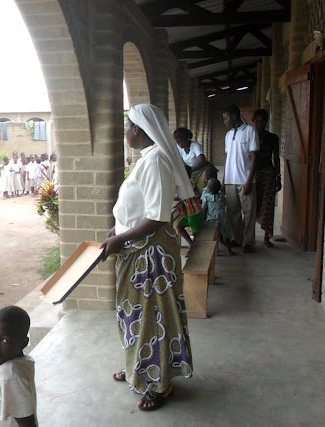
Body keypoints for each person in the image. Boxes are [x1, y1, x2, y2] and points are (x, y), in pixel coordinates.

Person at [100, 103, 193, 411]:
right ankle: (136, 367)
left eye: (127, 127)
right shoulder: (147, 159)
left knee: (154, 317)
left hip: (150, 255)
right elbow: (138, 208)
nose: (125, 132)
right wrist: (118, 229)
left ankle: (160, 382)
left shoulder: (155, 162)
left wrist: (120, 238)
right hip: (137, 249)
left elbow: (156, 216)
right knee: (134, 314)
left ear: (137, 130)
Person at [222, 104, 259, 253]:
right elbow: (228, 158)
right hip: (231, 179)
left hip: (245, 180)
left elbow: (254, 157)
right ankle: (237, 239)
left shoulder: (250, 131)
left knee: (249, 212)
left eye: (226, 118)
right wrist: (224, 179)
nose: (224, 121)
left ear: (234, 117)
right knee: (232, 212)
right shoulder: (228, 135)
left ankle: (248, 241)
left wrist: (249, 181)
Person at [253, 109, 281, 248]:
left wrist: (278, 177)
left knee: (268, 204)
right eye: (257, 121)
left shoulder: (272, 138)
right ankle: (248, 237)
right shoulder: (250, 136)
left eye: (262, 121)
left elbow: (276, 157)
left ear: (266, 122)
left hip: (268, 172)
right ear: (254, 122)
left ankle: (266, 236)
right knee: (252, 204)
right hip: (253, 173)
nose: (260, 123)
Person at [201, 178, 236, 256]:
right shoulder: (222, 196)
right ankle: (230, 250)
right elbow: (225, 204)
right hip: (222, 217)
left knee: (211, 235)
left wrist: (204, 219)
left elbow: (204, 208)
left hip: (211, 218)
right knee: (226, 234)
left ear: (208, 188)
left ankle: (212, 250)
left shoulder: (206, 197)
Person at [173, 127, 215, 192]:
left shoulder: (195, 145)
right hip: (190, 171)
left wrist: (190, 169)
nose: (180, 144)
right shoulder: (178, 148)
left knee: (202, 188)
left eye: (181, 142)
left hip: (200, 170)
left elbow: (201, 160)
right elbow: (180, 160)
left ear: (186, 139)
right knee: (190, 189)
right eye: (178, 142)